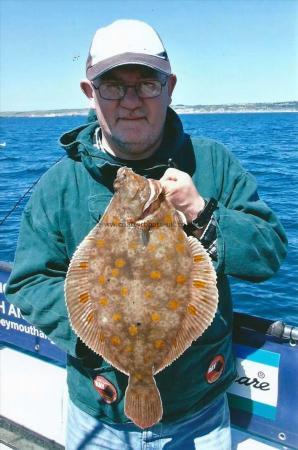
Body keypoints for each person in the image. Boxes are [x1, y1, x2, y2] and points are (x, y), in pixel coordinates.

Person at [5, 19, 287, 450]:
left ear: (170, 86)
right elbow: (28, 281)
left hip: (200, 409)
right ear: (90, 93)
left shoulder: (213, 162)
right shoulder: (59, 185)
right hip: (97, 413)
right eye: (113, 85)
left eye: (147, 83)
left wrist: (201, 212)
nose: (131, 100)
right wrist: (97, 340)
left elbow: (268, 254)